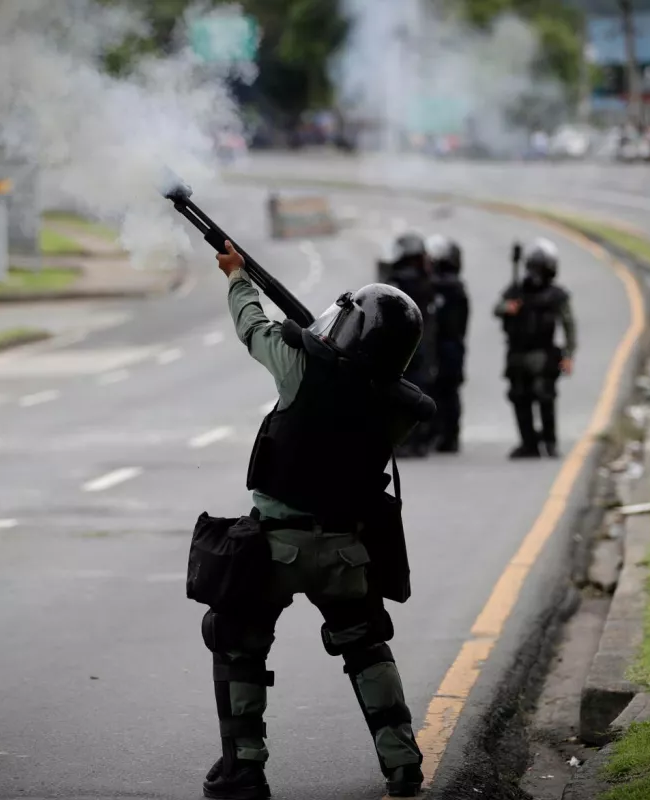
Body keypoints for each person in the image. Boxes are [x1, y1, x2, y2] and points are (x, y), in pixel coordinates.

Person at [199, 240, 435, 800]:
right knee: (367, 645)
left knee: (236, 639)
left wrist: (238, 277)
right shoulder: (397, 406)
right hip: (346, 553)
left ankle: (244, 769)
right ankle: (402, 765)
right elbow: (358, 379)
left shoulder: (302, 368)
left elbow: (254, 329)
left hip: (274, 551)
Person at [494, 238, 576, 459]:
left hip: (543, 353)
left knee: (545, 396)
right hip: (518, 353)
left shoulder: (556, 295)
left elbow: (568, 325)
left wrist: (568, 355)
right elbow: (497, 308)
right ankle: (528, 442)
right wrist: (508, 308)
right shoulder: (516, 291)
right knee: (520, 396)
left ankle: (549, 441)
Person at [383, 233, 439, 457]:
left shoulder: (395, 283)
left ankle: (406, 441)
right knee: (420, 392)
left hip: (401, 348)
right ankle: (420, 441)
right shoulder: (427, 282)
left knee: (399, 394)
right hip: (422, 346)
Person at [426, 234, 469, 453]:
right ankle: (444, 434)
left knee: (445, 391)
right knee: (444, 391)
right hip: (450, 346)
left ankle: (446, 435)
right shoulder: (452, 287)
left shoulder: (448, 288)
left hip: (447, 346)